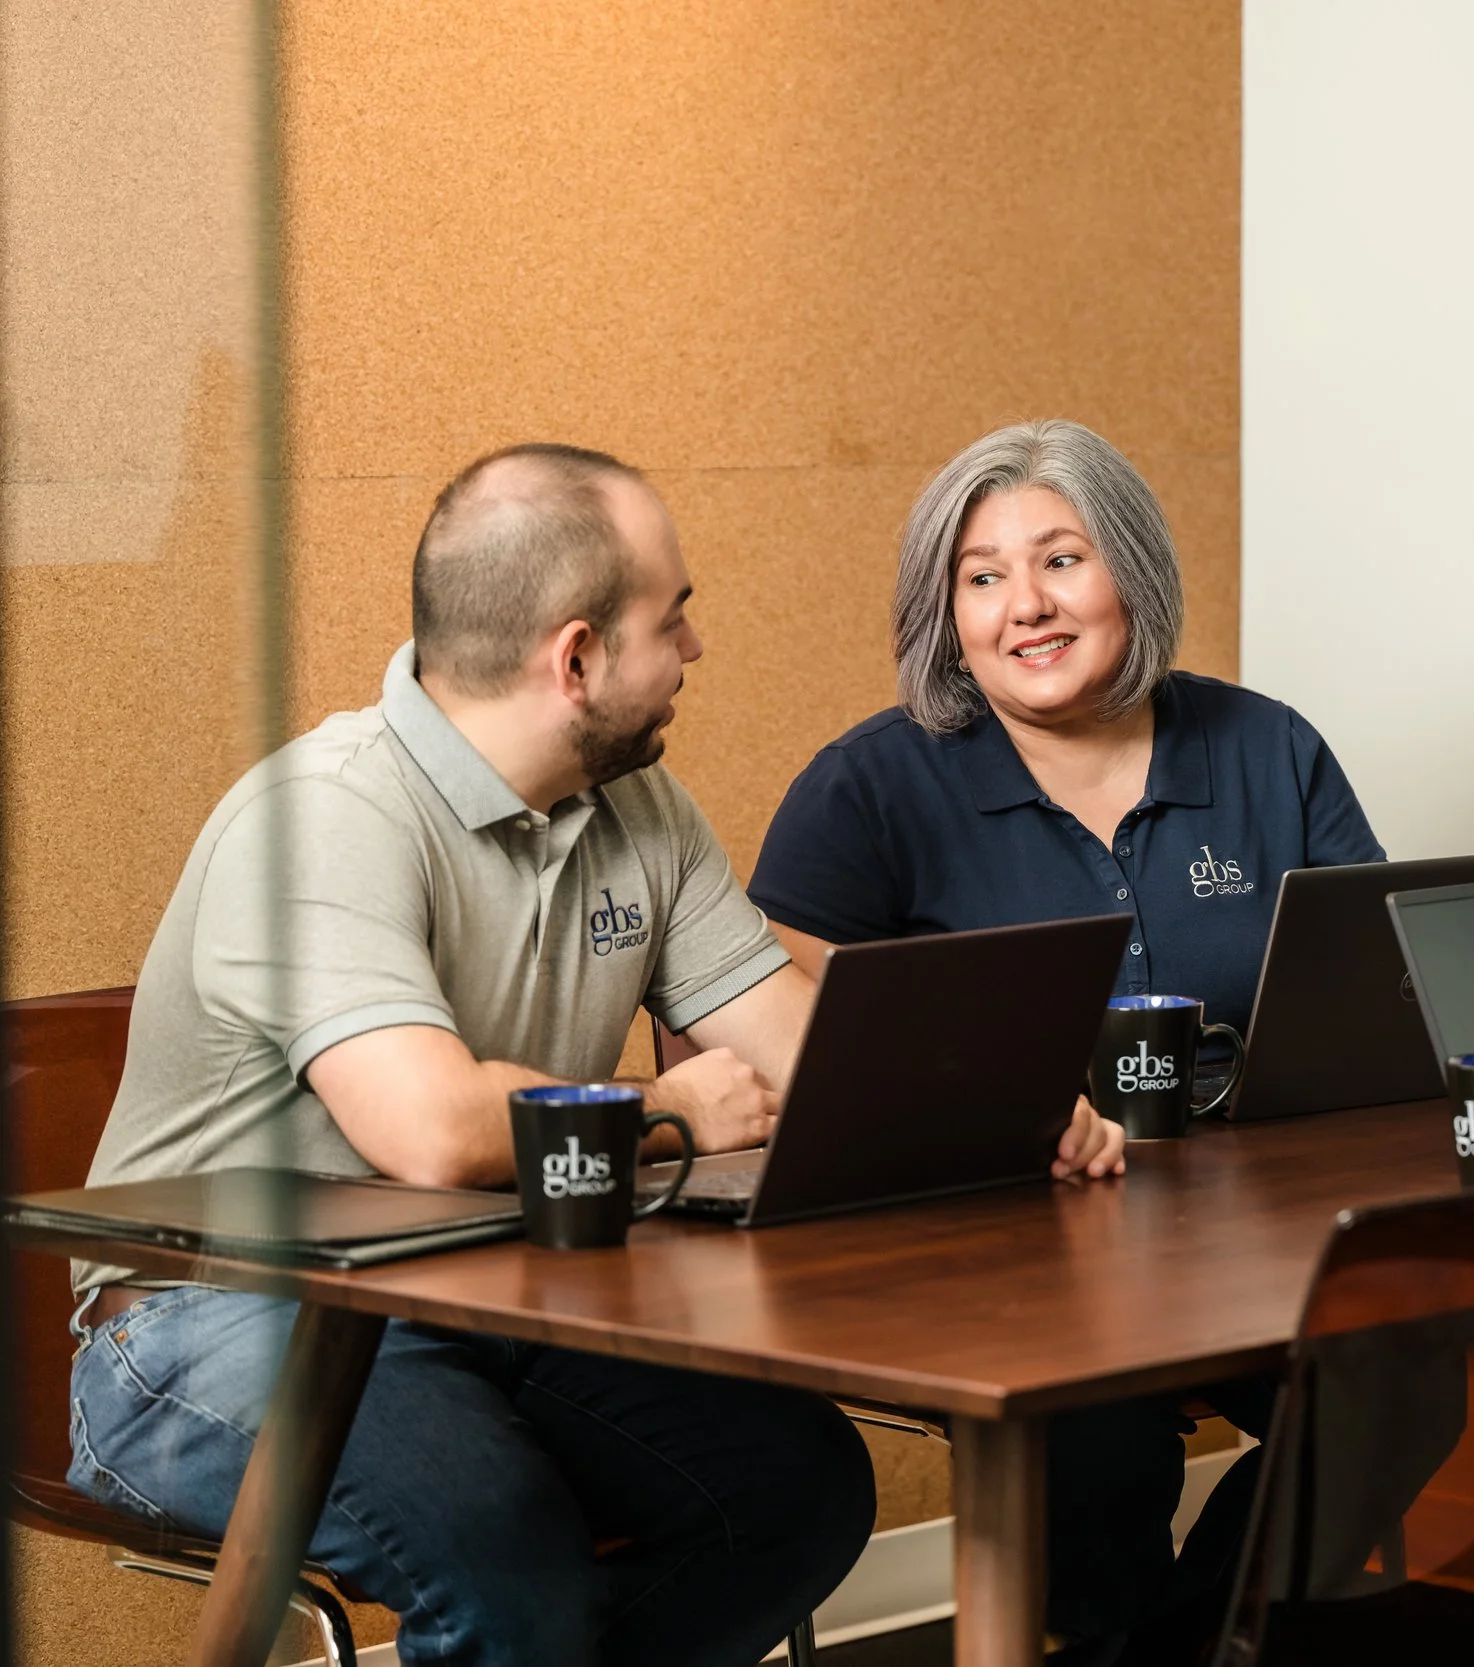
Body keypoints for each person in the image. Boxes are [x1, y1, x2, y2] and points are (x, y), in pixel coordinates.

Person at [67, 444, 916, 1667]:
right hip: (211, 1317)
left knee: (793, 1487)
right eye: (672, 618)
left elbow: (791, 1036)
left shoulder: (642, 807)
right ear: (575, 658)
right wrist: (667, 1108)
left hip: (479, 1295)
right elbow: (437, 1130)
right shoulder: (323, 816)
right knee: (506, 1561)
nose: (694, 649)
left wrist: (1003, 1091)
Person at [748, 418, 1385, 1662]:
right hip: (997, 1241)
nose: (1023, 606)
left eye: (1059, 560)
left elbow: (1374, 991)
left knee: (1398, 1381)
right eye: (981, 577)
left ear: (1130, 573)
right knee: (1099, 1424)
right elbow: (754, 1030)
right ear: (948, 611)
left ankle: (1187, 1647)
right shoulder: (870, 788)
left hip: (1248, 1227)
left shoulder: (1268, 747)